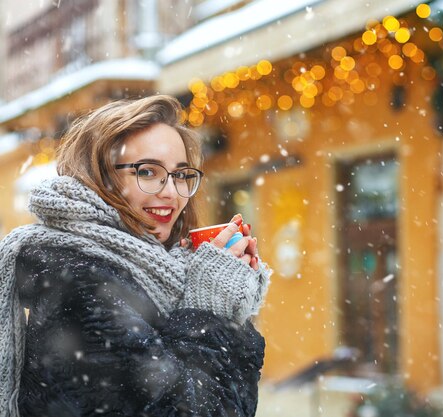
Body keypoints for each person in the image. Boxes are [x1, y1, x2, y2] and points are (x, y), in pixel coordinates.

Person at [0, 95, 271, 417]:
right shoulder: (77, 278)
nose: (170, 192)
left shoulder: (153, 269)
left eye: (181, 174)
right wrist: (208, 311)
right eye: (146, 172)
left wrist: (225, 307)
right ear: (97, 177)